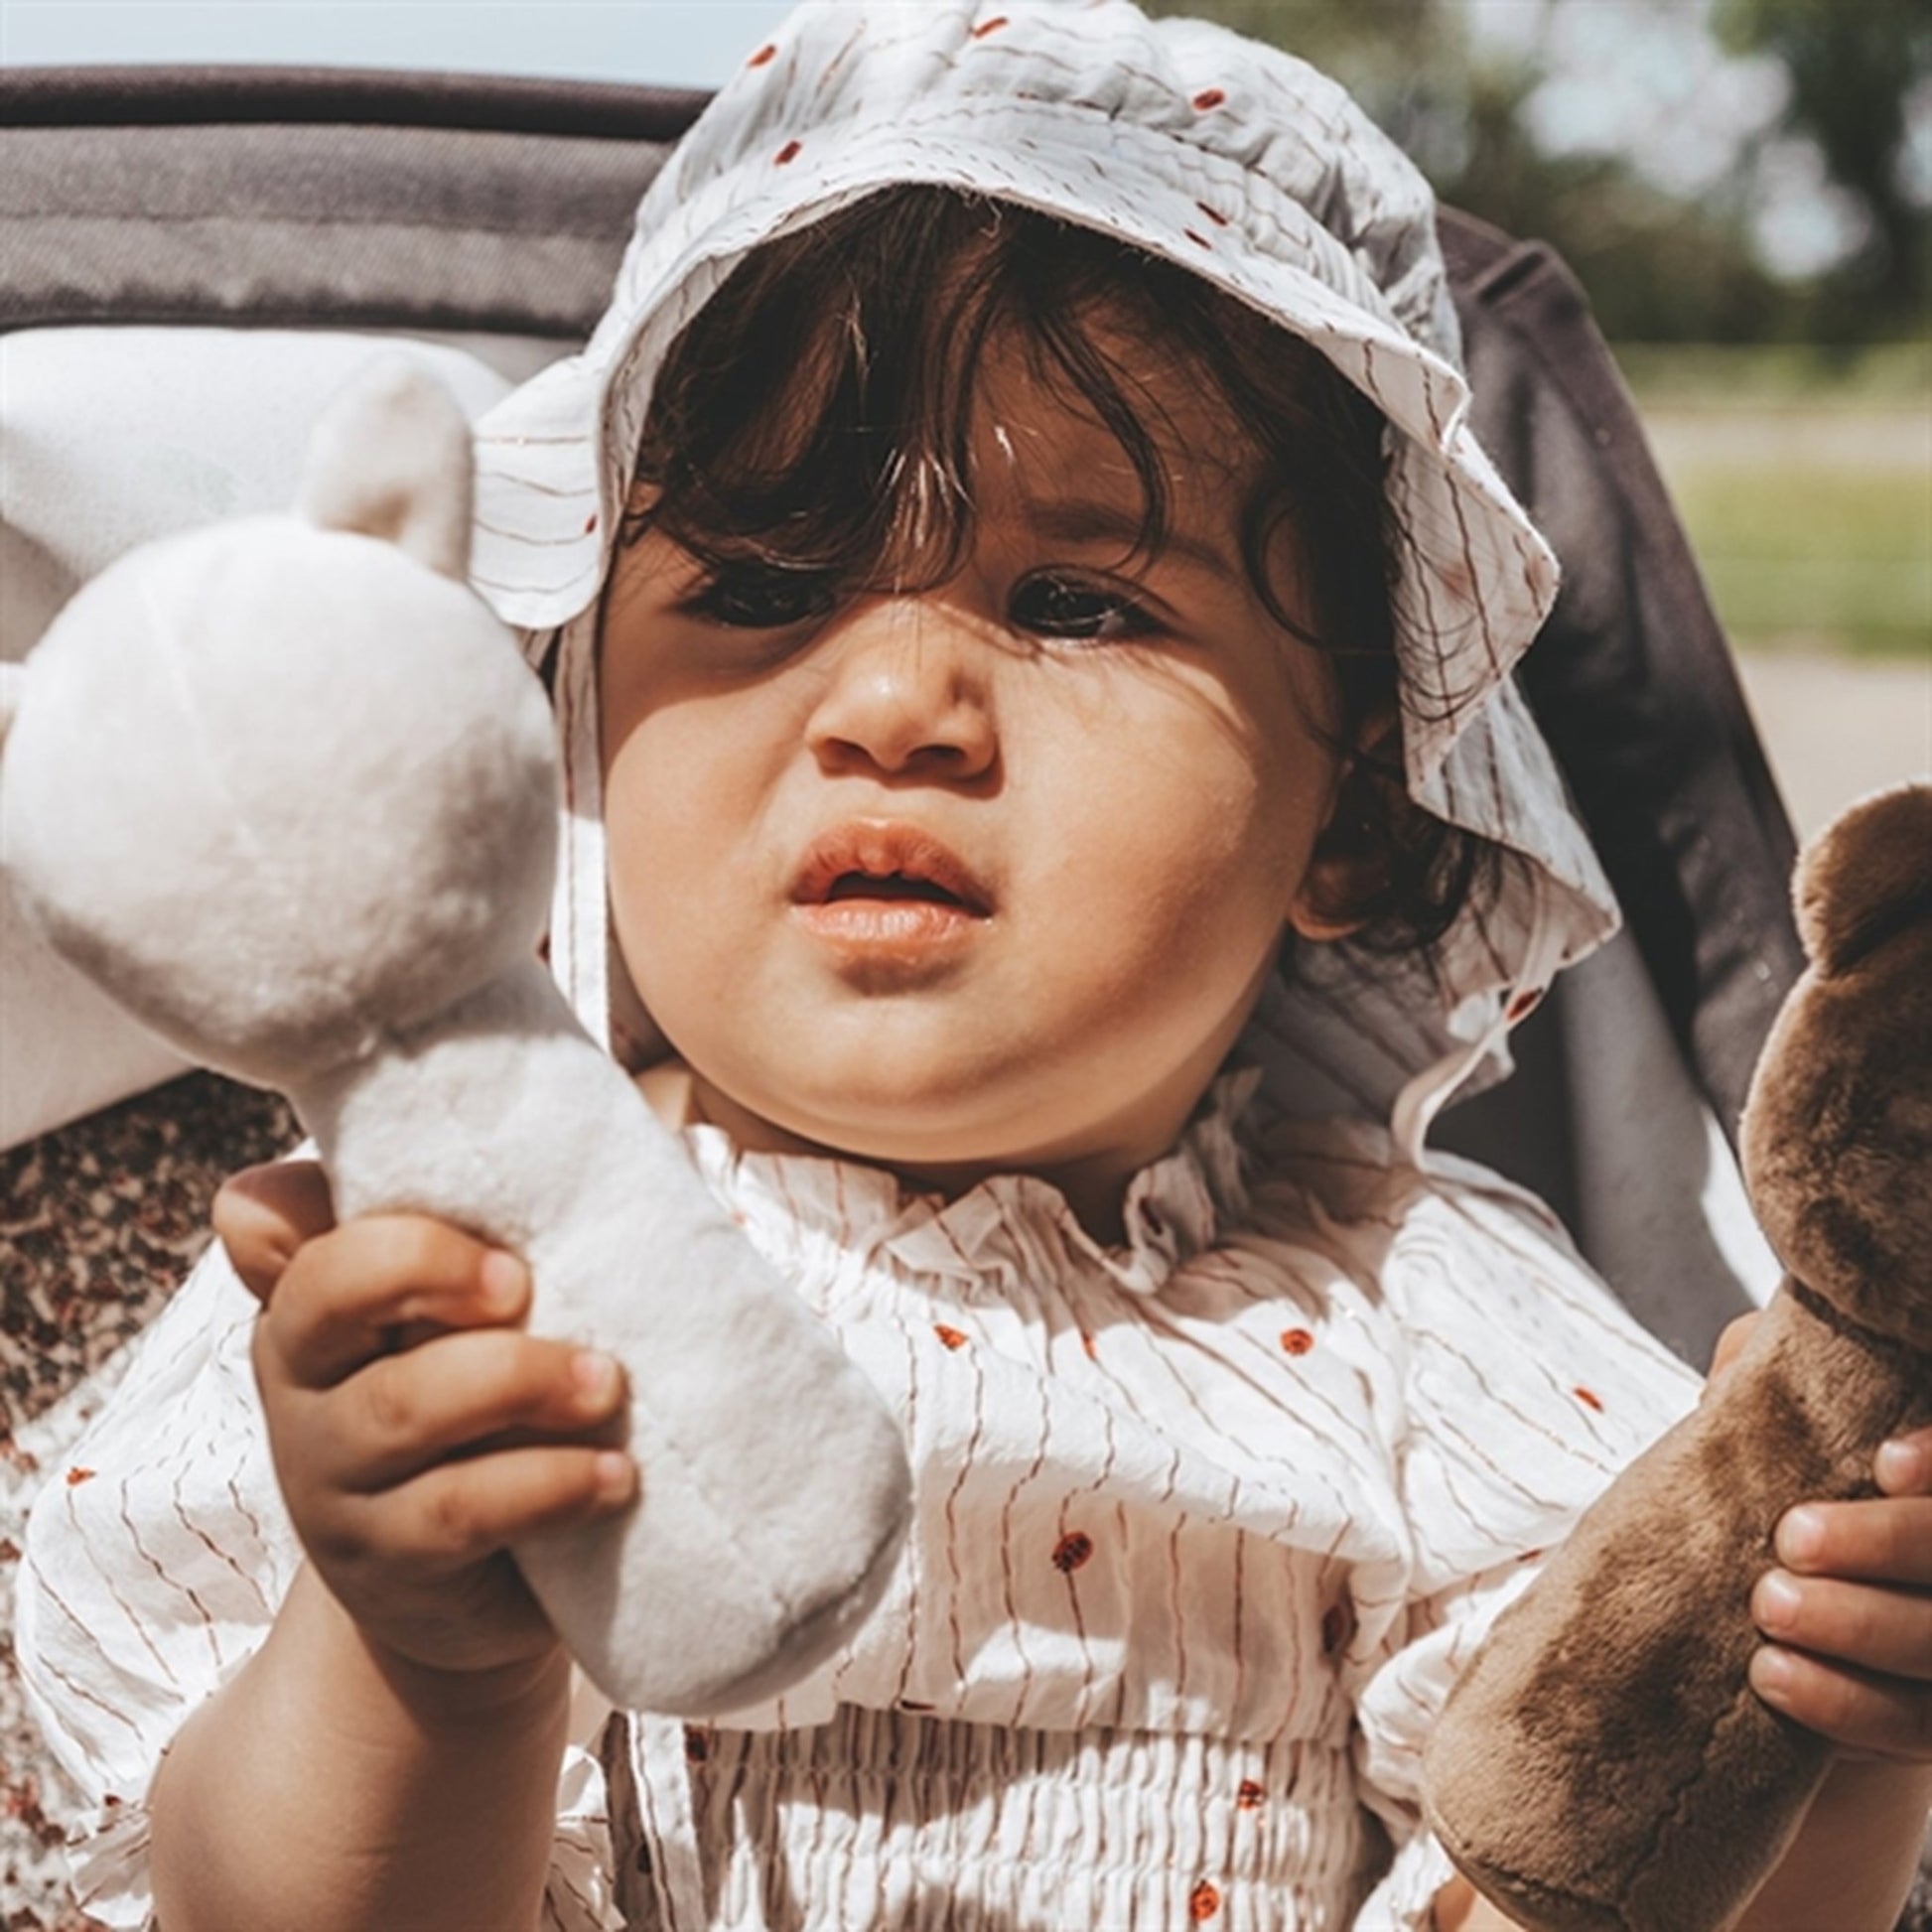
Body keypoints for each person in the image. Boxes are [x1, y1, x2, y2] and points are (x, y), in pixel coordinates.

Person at [17, 4, 1930, 1928]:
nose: (899, 701)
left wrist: (1801, 1759)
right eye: (763, 589)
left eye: (1077, 605)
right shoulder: (460, 1285)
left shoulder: (1426, 1324)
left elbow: (1558, 1860)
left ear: (1350, 816)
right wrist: (424, 1663)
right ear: (574, 726)